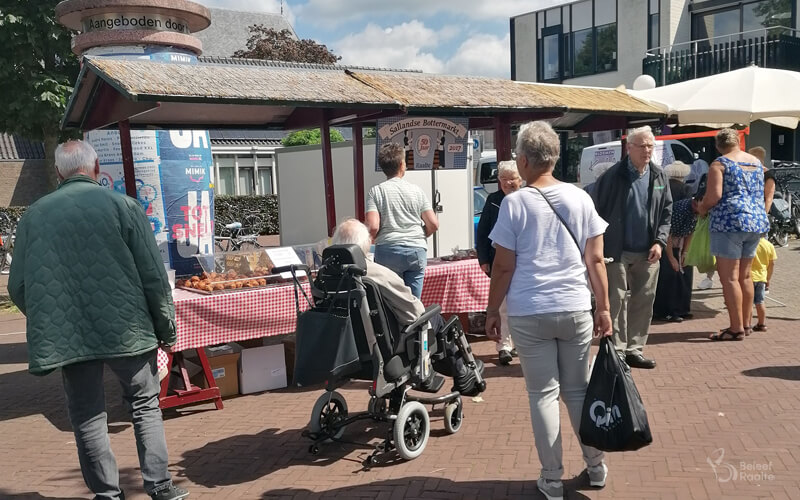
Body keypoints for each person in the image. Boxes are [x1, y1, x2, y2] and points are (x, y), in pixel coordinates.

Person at [7, 140, 188, 500]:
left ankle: (106, 494)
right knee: (144, 406)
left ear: (59, 173)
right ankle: (160, 486)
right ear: (95, 168)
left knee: (88, 417)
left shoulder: (34, 216)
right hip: (129, 329)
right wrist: (166, 328)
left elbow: (19, 286)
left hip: (71, 335)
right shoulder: (124, 206)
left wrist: (52, 317)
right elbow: (153, 276)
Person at [485, 121, 612, 500]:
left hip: (529, 309)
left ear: (523, 160)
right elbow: (597, 261)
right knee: (578, 391)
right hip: (575, 306)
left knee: (542, 393)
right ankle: (597, 465)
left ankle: (552, 479)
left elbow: (503, 265)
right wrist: (603, 309)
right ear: (554, 157)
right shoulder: (581, 198)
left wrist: (493, 310)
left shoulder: (514, 203)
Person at [331, 218, 483, 395]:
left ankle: (457, 371)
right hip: (385, 347)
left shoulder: (327, 278)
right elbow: (415, 312)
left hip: (348, 348)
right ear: (365, 244)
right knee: (436, 320)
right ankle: (462, 372)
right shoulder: (375, 273)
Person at [590, 126, 673, 369]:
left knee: (644, 299)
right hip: (616, 250)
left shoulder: (658, 176)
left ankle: (635, 349)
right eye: (643, 146)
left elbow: (666, 211)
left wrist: (660, 241)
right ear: (629, 148)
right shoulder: (612, 176)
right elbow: (596, 211)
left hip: (648, 250)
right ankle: (617, 350)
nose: (647, 150)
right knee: (616, 300)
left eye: (650, 146)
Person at [698, 129, 769, 341]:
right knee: (745, 276)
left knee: (729, 278)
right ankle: (746, 323)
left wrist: (702, 208)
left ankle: (735, 327)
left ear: (718, 145)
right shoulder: (756, 163)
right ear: (738, 142)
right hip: (755, 221)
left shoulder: (719, 164)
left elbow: (714, 196)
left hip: (729, 221)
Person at [366, 142, 439, 298]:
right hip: (416, 249)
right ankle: (414, 322)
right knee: (414, 302)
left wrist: (369, 243)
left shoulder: (376, 191)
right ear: (401, 165)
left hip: (388, 249)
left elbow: (372, 226)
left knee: (391, 301)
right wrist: (420, 234)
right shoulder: (416, 190)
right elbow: (433, 223)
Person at [476, 160, 522, 365]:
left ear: (520, 179)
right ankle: (504, 345)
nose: (508, 183)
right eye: (503, 179)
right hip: (498, 260)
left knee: (520, 304)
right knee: (502, 305)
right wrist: (483, 259)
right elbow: (483, 231)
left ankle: (519, 344)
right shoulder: (493, 200)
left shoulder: (527, 198)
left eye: (512, 179)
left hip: (523, 260)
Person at [653, 192, 703, 322]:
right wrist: (672, 258)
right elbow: (668, 233)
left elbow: (691, 232)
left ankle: (682, 309)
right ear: (697, 201)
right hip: (667, 243)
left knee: (685, 272)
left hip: (681, 243)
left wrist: (685, 253)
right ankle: (665, 311)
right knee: (669, 275)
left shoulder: (698, 212)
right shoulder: (680, 209)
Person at [750, 237, 777, 333]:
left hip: (750, 276)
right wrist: (768, 279)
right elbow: (772, 263)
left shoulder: (750, 243)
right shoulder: (769, 245)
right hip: (762, 277)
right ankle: (761, 324)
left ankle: (747, 325)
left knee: (748, 303)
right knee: (760, 301)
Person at [748, 146, 776, 213]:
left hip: (759, 210)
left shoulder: (767, 175)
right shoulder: (749, 172)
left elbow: (769, 198)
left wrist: (765, 214)